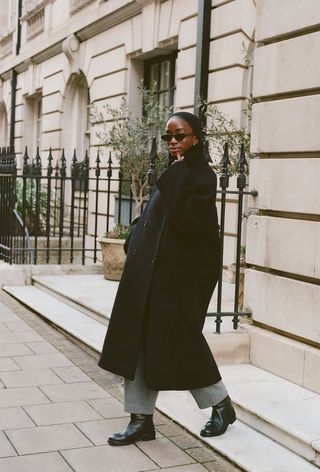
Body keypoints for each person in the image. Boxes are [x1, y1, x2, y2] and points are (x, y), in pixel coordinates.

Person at [98, 111, 236, 446]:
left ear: (196, 139)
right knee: (139, 343)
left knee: (179, 342)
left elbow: (193, 226)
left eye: (180, 136)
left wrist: (177, 176)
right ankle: (140, 419)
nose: (173, 142)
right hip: (146, 273)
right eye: (168, 137)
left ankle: (221, 405)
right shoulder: (172, 171)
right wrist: (133, 239)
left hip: (177, 278)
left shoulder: (202, 177)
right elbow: (154, 216)